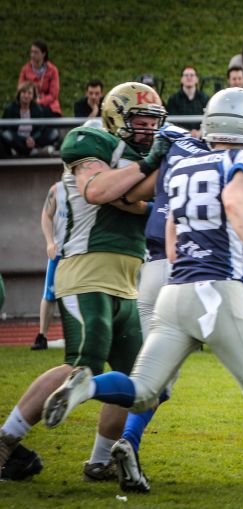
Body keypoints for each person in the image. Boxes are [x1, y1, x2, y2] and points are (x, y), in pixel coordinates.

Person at [43, 87, 243, 502]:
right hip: (216, 288)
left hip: (173, 289)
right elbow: (235, 204)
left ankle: (87, 388)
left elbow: (168, 230)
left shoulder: (182, 164)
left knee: (145, 387)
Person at [0, 82, 167, 481]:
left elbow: (140, 196)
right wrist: (151, 177)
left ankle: (100, 459)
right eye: (139, 120)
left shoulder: (141, 157)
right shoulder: (90, 140)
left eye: (152, 121)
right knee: (84, 365)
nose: (147, 128)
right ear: (115, 117)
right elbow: (100, 190)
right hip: (86, 270)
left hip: (128, 279)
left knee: (141, 382)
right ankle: (6, 440)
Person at [31, 180, 68, 351]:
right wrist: (49, 242)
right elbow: (46, 215)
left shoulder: (91, 186)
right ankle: (42, 335)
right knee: (50, 294)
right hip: (60, 251)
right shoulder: (57, 189)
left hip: (83, 253)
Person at [1, 81, 60, 157]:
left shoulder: (38, 109)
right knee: (6, 135)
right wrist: (24, 139)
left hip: (33, 139)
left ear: (33, 96)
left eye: (29, 93)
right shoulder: (10, 108)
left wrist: (32, 138)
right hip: (17, 139)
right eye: (24, 92)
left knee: (54, 133)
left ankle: (28, 151)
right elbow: (6, 128)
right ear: (19, 94)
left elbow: (40, 128)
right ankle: (31, 151)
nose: (26, 96)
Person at [18, 40, 61, 116]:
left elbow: (53, 95)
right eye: (31, 52)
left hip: (48, 105)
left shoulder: (53, 70)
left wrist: (39, 101)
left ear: (43, 54)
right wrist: (31, 100)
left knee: (42, 112)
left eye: (36, 52)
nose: (32, 55)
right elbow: (20, 88)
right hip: (28, 102)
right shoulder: (25, 69)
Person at [166, 66, 209, 134]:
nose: (189, 77)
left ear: (197, 79)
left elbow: (208, 120)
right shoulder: (173, 99)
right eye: (186, 75)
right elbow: (171, 122)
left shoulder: (205, 98)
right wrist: (187, 133)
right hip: (179, 137)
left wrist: (199, 132)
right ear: (181, 79)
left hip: (200, 137)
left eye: (192, 75)